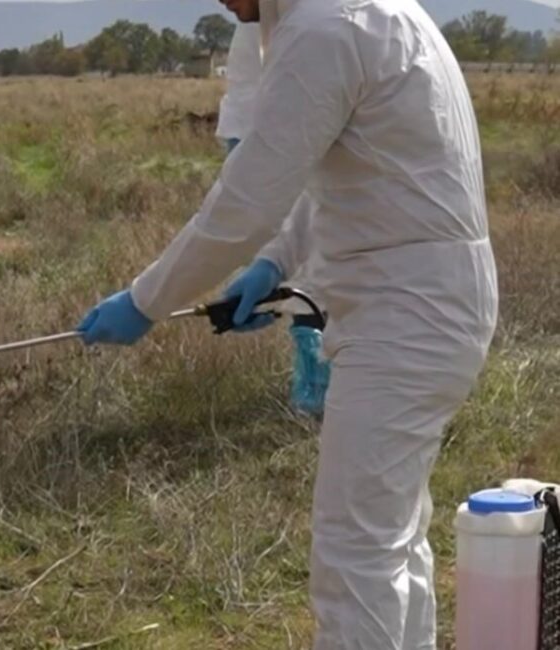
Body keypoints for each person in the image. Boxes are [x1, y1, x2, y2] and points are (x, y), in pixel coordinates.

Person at [77, 0, 499, 648]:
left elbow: (246, 201)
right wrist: (273, 264)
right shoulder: (372, 13)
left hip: (407, 315)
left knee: (355, 556)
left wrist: (146, 300)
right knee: (390, 539)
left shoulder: (323, 30)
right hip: (426, 305)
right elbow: (342, 172)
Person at [217, 20, 330, 416]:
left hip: (297, 141)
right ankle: (313, 367)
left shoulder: (324, 22)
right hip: (260, 133)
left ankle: (322, 372)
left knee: (314, 260)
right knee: (284, 253)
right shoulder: (256, 24)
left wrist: (146, 302)